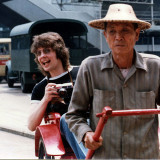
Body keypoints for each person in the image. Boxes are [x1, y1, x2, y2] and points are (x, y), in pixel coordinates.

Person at [60, 3, 160, 159]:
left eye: (125, 31)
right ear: (105, 36)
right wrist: (86, 134)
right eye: (112, 31)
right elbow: (74, 115)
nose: (118, 37)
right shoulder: (90, 67)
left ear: (137, 34)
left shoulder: (155, 67)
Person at [27, 32, 79, 131]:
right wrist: (45, 99)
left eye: (47, 51)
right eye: (39, 53)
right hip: (64, 132)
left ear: (59, 53)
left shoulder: (82, 73)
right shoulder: (40, 88)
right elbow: (31, 126)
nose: (42, 56)